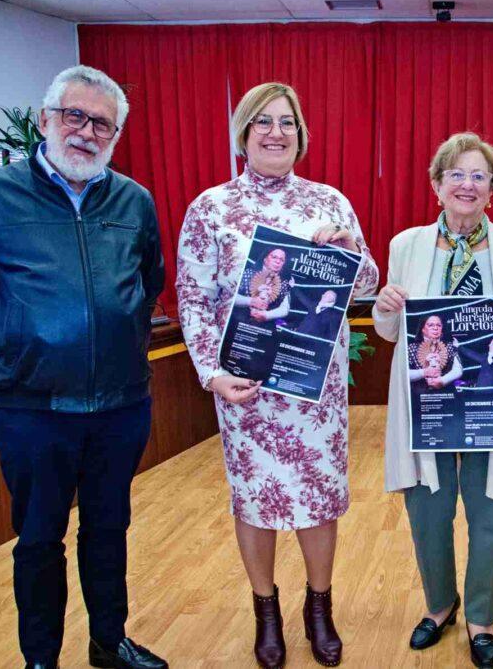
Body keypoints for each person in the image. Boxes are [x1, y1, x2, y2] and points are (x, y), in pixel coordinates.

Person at [0, 65, 167, 669]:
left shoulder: (134, 200)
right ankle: (40, 658)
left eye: (103, 123)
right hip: (33, 411)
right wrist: (20, 354)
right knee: (40, 540)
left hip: (121, 407)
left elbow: (148, 284)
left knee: (109, 532)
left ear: (115, 135)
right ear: (46, 120)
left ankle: (107, 642)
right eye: (75, 116)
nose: (87, 132)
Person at [176, 82, 378, 669]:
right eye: (262, 122)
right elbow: (192, 297)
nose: (275, 132)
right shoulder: (210, 208)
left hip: (314, 387)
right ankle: (266, 609)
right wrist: (211, 372)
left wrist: (350, 250)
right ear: (243, 133)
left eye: (286, 122)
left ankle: (320, 607)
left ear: (301, 134)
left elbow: (363, 284)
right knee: (255, 501)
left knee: (318, 500)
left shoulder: (330, 202)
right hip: (245, 389)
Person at [372, 132, 493, 668]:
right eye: (456, 175)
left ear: (492, 190)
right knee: (428, 508)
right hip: (427, 402)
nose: (467, 185)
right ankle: (439, 605)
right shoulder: (406, 245)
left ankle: (481, 616)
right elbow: (388, 332)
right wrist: (384, 305)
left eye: (479, 176)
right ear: (437, 185)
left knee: (490, 509)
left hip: (491, 404)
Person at [238, 247, 293, 325]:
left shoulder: (284, 284)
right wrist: (251, 301)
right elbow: (232, 295)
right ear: (265, 259)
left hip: (266, 325)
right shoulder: (248, 274)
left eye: (281, 260)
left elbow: (285, 309)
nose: (278, 261)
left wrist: (266, 315)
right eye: (274, 257)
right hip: (239, 319)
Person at [407, 314, 463, 391]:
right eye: (430, 325)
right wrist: (423, 372)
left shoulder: (450, 346)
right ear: (422, 329)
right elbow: (402, 373)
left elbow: (458, 369)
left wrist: (443, 381)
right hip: (419, 394)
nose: (435, 328)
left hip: (446, 393)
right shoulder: (411, 348)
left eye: (438, 325)